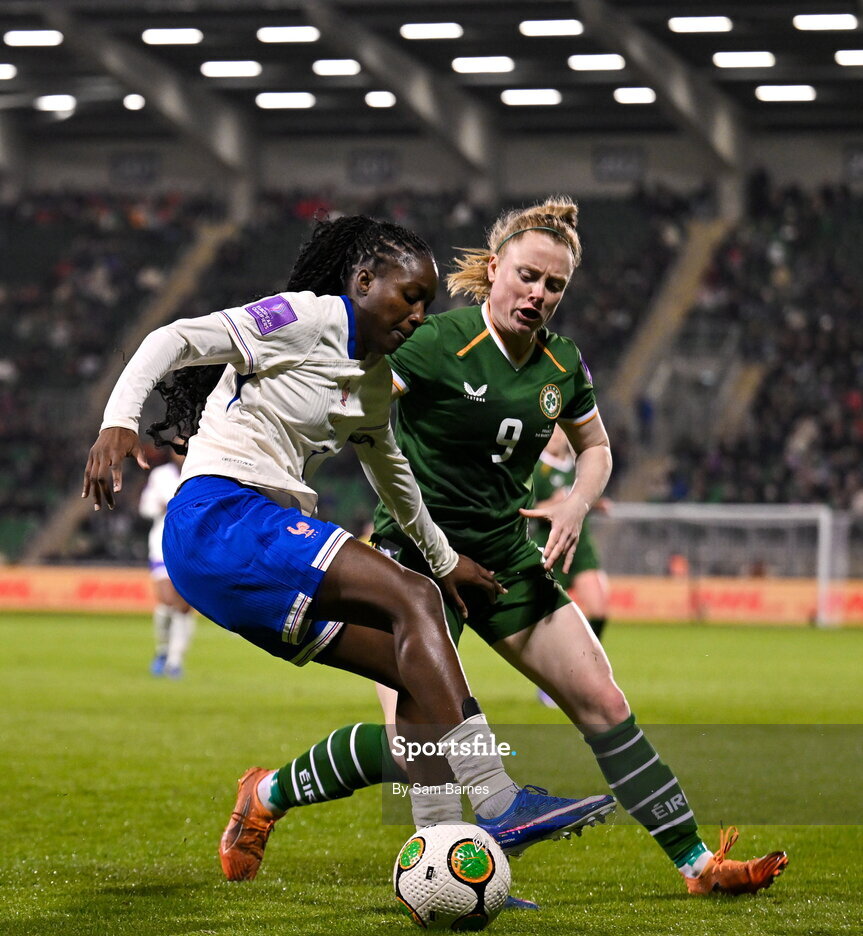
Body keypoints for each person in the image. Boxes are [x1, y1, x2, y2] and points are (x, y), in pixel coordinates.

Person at [253, 198, 788, 897]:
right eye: (528, 276)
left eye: (554, 285)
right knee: (420, 750)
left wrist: (575, 499)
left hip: (504, 560)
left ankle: (696, 862)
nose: (538, 295)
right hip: (417, 564)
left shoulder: (560, 363)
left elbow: (596, 447)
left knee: (602, 697)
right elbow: (352, 407)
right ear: (494, 267)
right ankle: (270, 795)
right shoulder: (434, 343)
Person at [82, 214, 614, 882]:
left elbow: (392, 475)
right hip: (221, 517)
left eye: (425, 302)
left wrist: (447, 562)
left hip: (248, 553)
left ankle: (443, 861)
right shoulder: (304, 317)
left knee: (411, 663)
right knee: (412, 596)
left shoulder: (368, 377)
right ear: (362, 281)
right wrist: (118, 422)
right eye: (406, 296)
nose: (417, 314)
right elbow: (175, 338)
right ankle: (500, 798)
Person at [531, 424, 610, 706]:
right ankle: (550, 684)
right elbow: (528, 508)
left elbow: (584, 495)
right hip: (551, 549)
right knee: (551, 626)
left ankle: (588, 670)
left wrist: (593, 503)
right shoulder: (536, 468)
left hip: (581, 548)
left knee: (599, 609)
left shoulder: (578, 465)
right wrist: (553, 503)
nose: (556, 437)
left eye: (559, 432)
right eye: (550, 432)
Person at [138, 445, 195, 679]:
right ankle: (163, 650)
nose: (181, 453)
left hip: (192, 547)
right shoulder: (160, 475)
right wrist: (159, 506)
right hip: (162, 545)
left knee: (183, 606)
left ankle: (175, 660)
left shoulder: (203, 475)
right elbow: (145, 507)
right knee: (166, 603)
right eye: (178, 449)